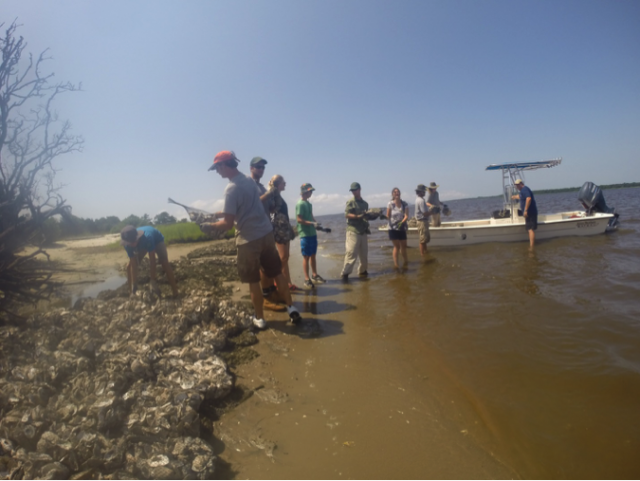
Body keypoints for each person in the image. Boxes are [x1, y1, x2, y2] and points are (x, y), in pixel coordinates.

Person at [203, 150, 301, 329]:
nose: (217, 171)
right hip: (266, 235)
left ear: (224, 165)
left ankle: (260, 318)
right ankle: (291, 308)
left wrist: (209, 226)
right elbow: (246, 207)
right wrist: (215, 215)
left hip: (248, 240)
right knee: (277, 273)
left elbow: (227, 224)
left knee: (253, 281)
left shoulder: (231, 189)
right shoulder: (249, 181)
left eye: (217, 168)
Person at [120, 225, 179, 297]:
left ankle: (175, 292)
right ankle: (131, 292)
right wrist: (134, 284)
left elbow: (152, 261)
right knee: (129, 266)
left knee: (164, 262)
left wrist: (152, 281)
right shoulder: (127, 245)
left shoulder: (147, 237)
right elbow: (134, 264)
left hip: (157, 240)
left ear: (137, 238)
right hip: (142, 244)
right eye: (129, 243)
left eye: (133, 242)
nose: (131, 244)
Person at [268, 174, 297, 291]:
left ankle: (287, 282)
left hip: (284, 227)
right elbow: (271, 208)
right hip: (279, 227)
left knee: (286, 257)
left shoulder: (278, 195)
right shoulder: (273, 193)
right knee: (283, 257)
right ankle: (277, 281)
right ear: (277, 184)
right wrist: (273, 184)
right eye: (283, 182)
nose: (285, 184)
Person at [296, 183, 325, 288]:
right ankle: (306, 279)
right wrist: (312, 224)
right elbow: (299, 219)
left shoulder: (309, 204)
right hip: (305, 234)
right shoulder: (300, 204)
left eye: (311, 191)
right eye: (310, 191)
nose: (311, 193)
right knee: (306, 257)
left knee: (313, 255)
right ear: (304, 192)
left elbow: (311, 217)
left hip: (312, 233)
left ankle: (314, 275)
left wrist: (319, 226)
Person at [340, 182, 369, 281]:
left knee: (364, 254)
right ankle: (345, 274)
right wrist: (358, 216)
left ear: (359, 189)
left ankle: (363, 271)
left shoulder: (365, 204)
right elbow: (347, 214)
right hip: (353, 230)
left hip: (363, 231)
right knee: (351, 253)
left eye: (355, 190)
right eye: (352, 190)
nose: (353, 192)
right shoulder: (351, 202)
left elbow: (366, 216)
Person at [386, 187, 409, 269]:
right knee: (397, 246)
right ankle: (396, 264)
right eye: (395, 192)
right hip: (392, 228)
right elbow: (388, 216)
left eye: (398, 192)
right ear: (392, 194)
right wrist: (381, 215)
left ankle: (406, 261)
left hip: (402, 227)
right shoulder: (390, 204)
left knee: (404, 245)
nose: (396, 193)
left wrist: (402, 222)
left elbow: (406, 215)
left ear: (400, 193)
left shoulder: (404, 204)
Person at [511, 178, 538, 248]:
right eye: (516, 186)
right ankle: (531, 244)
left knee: (530, 229)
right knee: (529, 229)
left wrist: (525, 210)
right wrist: (514, 197)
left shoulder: (525, 189)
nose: (517, 187)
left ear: (521, 184)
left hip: (530, 212)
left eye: (517, 185)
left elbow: (528, 198)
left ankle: (532, 247)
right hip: (528, 213)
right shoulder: (522, 191)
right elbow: (520, 196)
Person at [415, 184, 431, 258]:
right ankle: (422, 255)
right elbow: (424, 213)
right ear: (420, 192)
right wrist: (432, 212)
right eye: (424, 191)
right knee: (422, 240)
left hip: (422, 221)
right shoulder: (421, 200)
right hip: (422, 221)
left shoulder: (420, 199)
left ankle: (425, 252)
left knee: (424, 239)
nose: (425, 192)